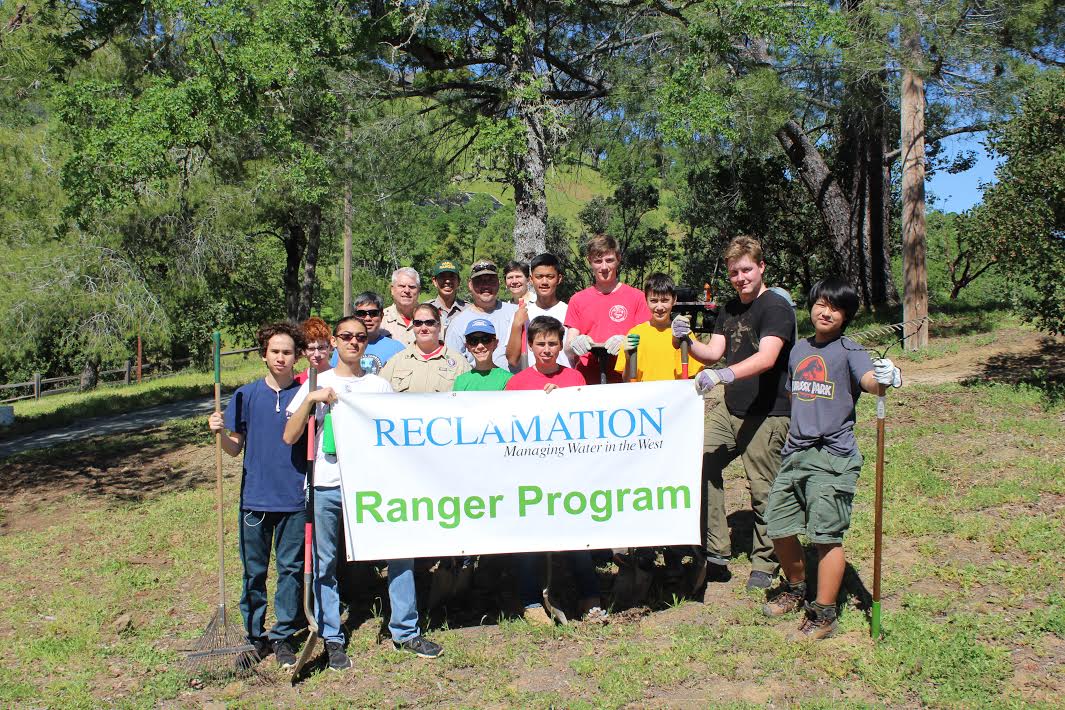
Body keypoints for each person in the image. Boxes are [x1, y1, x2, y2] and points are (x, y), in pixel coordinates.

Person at [761, 278, 902, 639]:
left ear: (846, 316)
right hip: (795, 451)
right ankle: (796, 587)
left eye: (836, 308)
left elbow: (870, 381)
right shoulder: (798, 349)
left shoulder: (850, 351)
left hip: (832, 455)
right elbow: (795, 395)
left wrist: (886, 379)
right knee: (778, 525)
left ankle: (824, 614)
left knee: (825, 536)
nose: (826, 312)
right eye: (821, 304)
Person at [673, 235, 797, 591]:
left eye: (746, 270)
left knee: (763, 489)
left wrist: (725, 374)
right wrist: (685, 339)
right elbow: (713, 353)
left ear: (761, 268)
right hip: (731, 409)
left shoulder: (776, 306)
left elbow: (768, 356)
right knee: (701, 461)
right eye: (733, 273)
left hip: (769, 412)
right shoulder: (729, 308)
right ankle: (716, 552)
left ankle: (766, 561)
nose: (740, 278)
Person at [283, 316, 392, 670]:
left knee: (391, 554)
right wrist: (311, 399)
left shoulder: (379, 386)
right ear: (335, 340)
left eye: (360, 337)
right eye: (346, 336)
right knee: (325, 563)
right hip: (327, 484)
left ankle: (402, 627)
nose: (354, 342)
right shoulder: (319, 380)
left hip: (368, 487)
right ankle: (331, 634)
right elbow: (290, 435)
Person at [207, 322, 307, 669]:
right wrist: (219, 433)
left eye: (287, 352)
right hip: (255, 499)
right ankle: (254, 637)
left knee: (291, 569)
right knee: (254, 572)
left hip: (294, 496)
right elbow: (234, 449)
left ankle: (283, 635)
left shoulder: (305, 392)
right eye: (275, 351)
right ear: (264, 354)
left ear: (297, 356)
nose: (281, 358)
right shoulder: (246, 396)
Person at [505, 316, 603, 622]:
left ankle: (590, 597)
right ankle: (530, 602)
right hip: (530, 475)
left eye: (552, 343)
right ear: (530, 346)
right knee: (530, 541)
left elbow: (585, 422)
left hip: (568, 473)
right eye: (540, 344)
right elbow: (508, 427)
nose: (546, 349)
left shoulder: (574, 379)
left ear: (561, 345)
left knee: (577, 536)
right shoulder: (517, 383)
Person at [565, 235, 651, 384]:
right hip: (587, 380)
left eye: (609, 260)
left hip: (625, 379)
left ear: (618, 259)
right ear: (589, 261)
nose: (604, 267)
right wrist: (575, 344)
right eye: (598, 261)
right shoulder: (577, 300)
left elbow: (648, 340)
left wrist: (626, 342)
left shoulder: (637, 297)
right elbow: (567, 348)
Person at [615, 273, 704, 383]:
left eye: (665, 300)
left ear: (674, 299)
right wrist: (628, 359)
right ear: (646, 300)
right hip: (645, 398)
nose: (659, 307)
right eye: (654, 301)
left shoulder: (682, 333)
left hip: (675, 397)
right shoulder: (635, 334)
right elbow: (627, 381)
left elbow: (693, 378)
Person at [444, 260, 518, 371]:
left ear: (498, 282)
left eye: (490, 280)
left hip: (515, 386)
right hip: (476, 387)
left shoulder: (516, 313)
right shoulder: (458, 323)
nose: (486, 286)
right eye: (479, 281)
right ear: (470, 284)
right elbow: (452, 365)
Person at [380, 303, 471, 392]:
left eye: (429, 322)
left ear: (439, 326)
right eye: (418, 323)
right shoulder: (396, 361)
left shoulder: (459, 363)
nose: (423, 328)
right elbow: (379, 395)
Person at [505, 252, 571, 371]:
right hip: (533, 385)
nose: (544, 282)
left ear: (559, 279)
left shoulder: (570, 312)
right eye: (539, 277)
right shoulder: (522, 313)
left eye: (550, 276)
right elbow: (512, 359)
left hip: (563, 384)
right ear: (531, 279)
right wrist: (516, 325)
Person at [329, 291, 405, 374]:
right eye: (361, 313)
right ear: (355, 316)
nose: (368, 318)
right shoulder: (342, 347)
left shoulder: (397, 349)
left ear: (382, 316)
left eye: (373, 313)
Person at [453, 319, 512, 391]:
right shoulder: (461, 381)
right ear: (467, 346)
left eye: (485, 339)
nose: (480, 346)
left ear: (495, 343)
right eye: (473, 340)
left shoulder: (508, 379)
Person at [382, 267, 421, 347]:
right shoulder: (380, 319)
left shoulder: (432, 319)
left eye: (412, 287)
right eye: (402, 286)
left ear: (419, 291)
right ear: (392, 290)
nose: (407, 291)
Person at [426, 260, 468, 337]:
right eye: (442, 277)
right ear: (434, 281)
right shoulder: (425, 309)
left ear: (458, 281)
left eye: (452, 277)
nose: (448, 281)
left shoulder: (468, 310)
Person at [295, 316, 333, 384]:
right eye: (311, 349)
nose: (317, 354)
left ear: (330, 347)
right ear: (303, 351)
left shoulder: (340, 379)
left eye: (321, 348)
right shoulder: (298, 382)